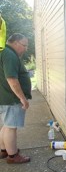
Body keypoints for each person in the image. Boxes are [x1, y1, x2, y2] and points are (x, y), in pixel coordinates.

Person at [0, 33, 31, 163]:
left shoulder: (5, 52)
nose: (25, 49)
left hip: (6, 97)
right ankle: (12, 156)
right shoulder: (9, 54)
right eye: (24, 45)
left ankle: (3, 150)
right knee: (11, 127)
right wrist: (22, 98)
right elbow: (12, 79)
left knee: (6, 126)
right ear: (16, 43)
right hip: (12, 99)